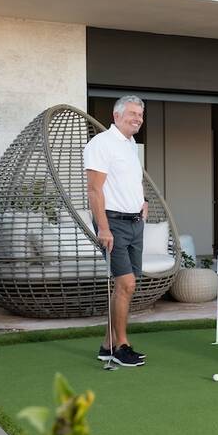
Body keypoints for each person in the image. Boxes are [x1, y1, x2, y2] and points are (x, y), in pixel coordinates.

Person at [85, 95, 148, 368]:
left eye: (140, 115)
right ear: (116, 116)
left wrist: (143, 201)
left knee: (128, 286)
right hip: (114, 224)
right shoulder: (101, 144)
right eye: (132, 114)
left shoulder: (130, 145)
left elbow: (131, 180)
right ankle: (122, 346)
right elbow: (94, 189)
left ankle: (107, 344)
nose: (137, 119)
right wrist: (104, 227)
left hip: (135, 222)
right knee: (126, 284)